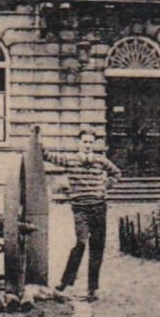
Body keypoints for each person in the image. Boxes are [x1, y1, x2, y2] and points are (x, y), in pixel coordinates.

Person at [45, 129, 122, 301]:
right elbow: (48, 157)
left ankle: (92, 289)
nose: (87, 145)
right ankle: (65, 284)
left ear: (94, 144)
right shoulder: (70, 159)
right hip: (80, 208)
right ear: (79, 143)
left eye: (90, 142)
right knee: (80, 243)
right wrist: (38, 140)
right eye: (84, 142)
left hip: (98, 207)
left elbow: (116, 173)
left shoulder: (100, 160)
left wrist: (105, 187)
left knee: (97, 246)